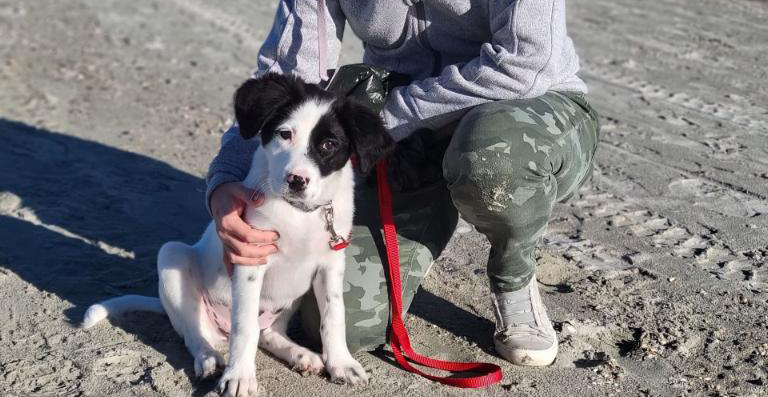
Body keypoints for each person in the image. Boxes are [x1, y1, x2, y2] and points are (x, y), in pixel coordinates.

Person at [207, 0, 599, 367]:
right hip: (406, 135)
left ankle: (514, 277)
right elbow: (286, 77)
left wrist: (390, 118)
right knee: (342, 327)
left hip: (527, 109)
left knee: (491, 156)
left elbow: (527, 62)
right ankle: (430, 215)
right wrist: (227, 184)